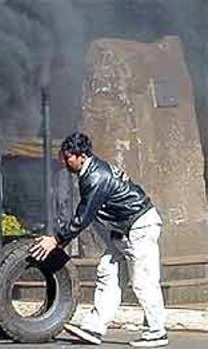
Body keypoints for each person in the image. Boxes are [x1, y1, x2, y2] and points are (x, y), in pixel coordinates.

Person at [30, 132, 168, 348]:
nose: (64, 162)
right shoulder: (90, 172)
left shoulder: (96, 177)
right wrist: (61, 241)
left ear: (81, 156)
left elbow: (83, 217)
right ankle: (94, 328)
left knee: (143, 282)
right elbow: (85, 214)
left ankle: (157, 332)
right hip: (122, 230)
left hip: (139, 226)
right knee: (107, 272)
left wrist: (55, 240)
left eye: (68, 157)